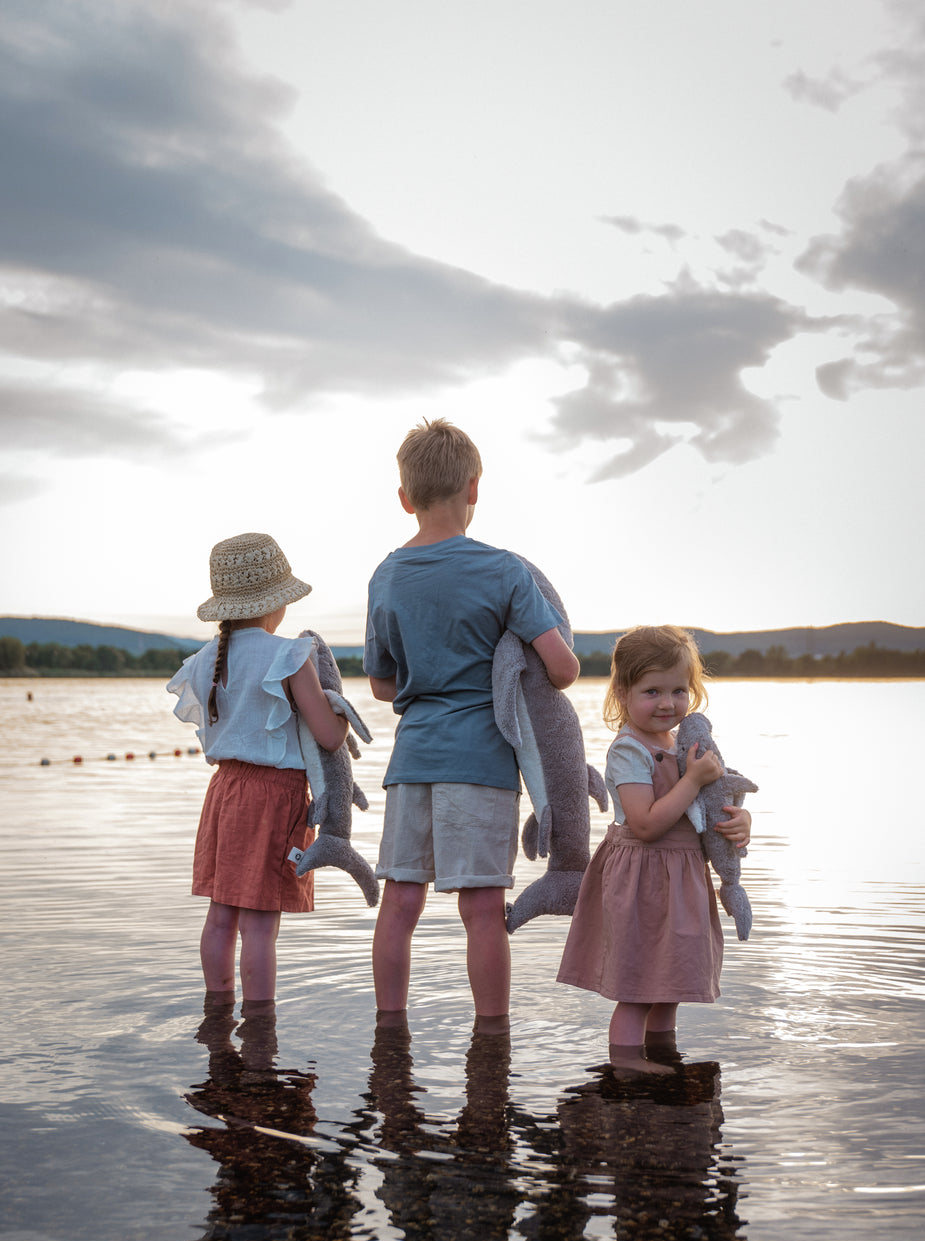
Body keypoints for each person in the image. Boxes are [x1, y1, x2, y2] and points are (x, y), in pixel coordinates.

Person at [364, 417, 580, 1034]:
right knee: (482, 909)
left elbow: (383, 685)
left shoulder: (386, 575)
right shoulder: (504, 571)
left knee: (400, 902)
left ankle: (389, 1032)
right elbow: (562, 669)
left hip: (412, 762)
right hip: (483, 762)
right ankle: (493, 1040)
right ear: (475, 487)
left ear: (405, 498)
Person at [556, 625, 751, 1074]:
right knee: (638, 984)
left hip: (682, 876)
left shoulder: (687, 748)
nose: (668, 703)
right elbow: (644, 824)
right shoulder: (629, 750)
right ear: (623, 692)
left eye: (679, 690)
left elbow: (714, 804)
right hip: (642, 876)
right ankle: (626, 1064)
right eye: (652, 691)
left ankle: (662, 1055)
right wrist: (692, 779)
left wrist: (741, 822)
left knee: (670, 982)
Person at [168, 532, 347, 1013]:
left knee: (221, 912)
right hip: (275, 796)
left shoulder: (204, 660)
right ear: (277, 603)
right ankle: (261, 1024)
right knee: (262, 921)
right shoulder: (290, 654)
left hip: (224, 791)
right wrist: (342, 710)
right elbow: (329, 736)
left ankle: (217, 1010)